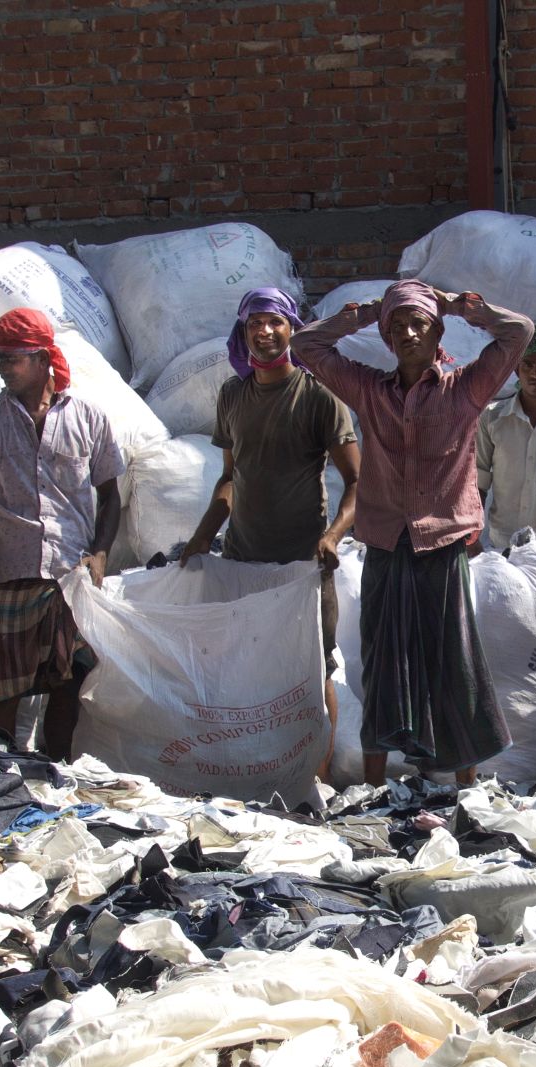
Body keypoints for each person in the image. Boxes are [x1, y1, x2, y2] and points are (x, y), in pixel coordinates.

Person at [292, 281, 531, 786]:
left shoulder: (465, 388)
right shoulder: (369, 390)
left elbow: (519, 334)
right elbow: (306, 346)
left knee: (453, 661)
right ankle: (375, 787)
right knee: (383, 664)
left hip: (443, 546)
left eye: (418, 323)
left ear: (436, 331)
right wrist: (364, 314)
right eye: (396, 327)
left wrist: (464, 307)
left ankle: (466, 785)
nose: (407, 333)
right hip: (385, 542)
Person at [181, 287, 361, 780]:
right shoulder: (233, 396)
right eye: (254, 324)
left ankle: (315, 778)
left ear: (291, 329)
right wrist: (201, 538)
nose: (264, 332)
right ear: (243, 333)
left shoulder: (319, 394)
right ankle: (258, 773)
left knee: (313, 670)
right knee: (248, 672)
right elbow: (229, 479)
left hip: (303, 566)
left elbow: (359, 485)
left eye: (274, 322)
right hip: (244, 564)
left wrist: (333, 537)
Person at [0, 308, 124, 760]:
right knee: (5, 690)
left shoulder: (88, 417)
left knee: (69, 684)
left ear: (44, 358)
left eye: (14, 358)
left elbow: (110, 495)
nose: (3, 368)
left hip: (70, 575)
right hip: (9, 573)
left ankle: (56, 773)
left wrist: (101, 553)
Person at [475, 324, 536, 547]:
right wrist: (472, 535)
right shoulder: (492, 418)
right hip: (501, 543)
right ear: (517, 369)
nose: (535, 374)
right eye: (527, 364)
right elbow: (477, 481)